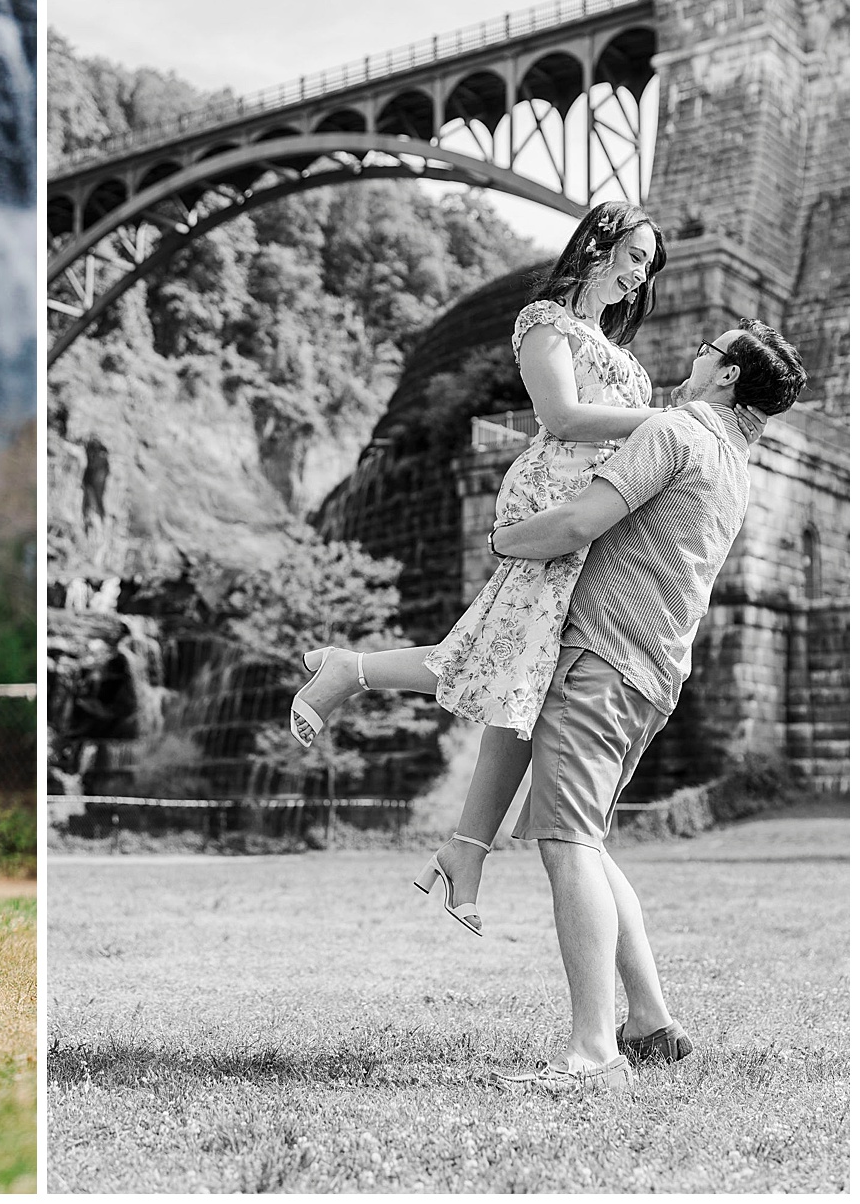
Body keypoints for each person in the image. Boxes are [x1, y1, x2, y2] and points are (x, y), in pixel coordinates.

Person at [288, 203, 664, 932]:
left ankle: (465, 845)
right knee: (501, 661)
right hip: (557, 509)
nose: (639, 272)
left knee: (517, 673)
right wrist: (665, 419)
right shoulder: (544, 322)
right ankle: (347, 671)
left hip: (600, 520)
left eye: (649, 264)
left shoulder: (615, 349)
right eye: (633, 254)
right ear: (597, 245)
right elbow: (559, 416)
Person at [490, 319, 806, 1092]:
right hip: (652, 675)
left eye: (710, 346)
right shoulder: (734, 463)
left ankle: (594, 1053)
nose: (696, 352)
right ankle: (651, 1023)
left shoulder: (677, 428)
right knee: (589, 839)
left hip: (600, 658)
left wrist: (503, 540)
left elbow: (577, 523)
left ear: (727, 376)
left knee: (565, 841)